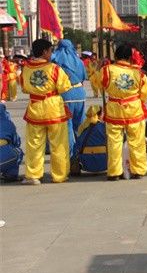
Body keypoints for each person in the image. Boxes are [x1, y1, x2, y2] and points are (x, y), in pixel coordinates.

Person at [93, 43, 147, 180]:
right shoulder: (138, 73)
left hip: (114, 110)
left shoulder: (107, 70)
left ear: (116, 56)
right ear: (130, 57)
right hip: (134, 109)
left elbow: (97, 84)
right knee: (137, 142)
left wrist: (98, 68)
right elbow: (145, 93)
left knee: (114, 142)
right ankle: (138, 170)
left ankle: (114, 172)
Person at [20, 38, 73, 185]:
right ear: (44, 52)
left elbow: (24, 88)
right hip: (54, 108)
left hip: (35, 108)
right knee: (59, 144)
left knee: (34, 144)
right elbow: (64, 87)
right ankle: (60, 175)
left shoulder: (26, 68)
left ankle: (33, 175)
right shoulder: (54, 68)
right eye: (50, 51)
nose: (51, 54)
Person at [51, 39, 87, 155]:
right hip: (80, 94)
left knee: (67, 126)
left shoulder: (55, 60)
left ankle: (71, 155)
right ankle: (83, 151)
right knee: (80, 125)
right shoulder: (79, 61)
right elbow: (83, 78)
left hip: (65, 95)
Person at [0, 103, 24, 182]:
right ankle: (11, 175)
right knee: (18, 151)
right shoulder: (8, 124)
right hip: (3, 158)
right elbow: (17, 142)